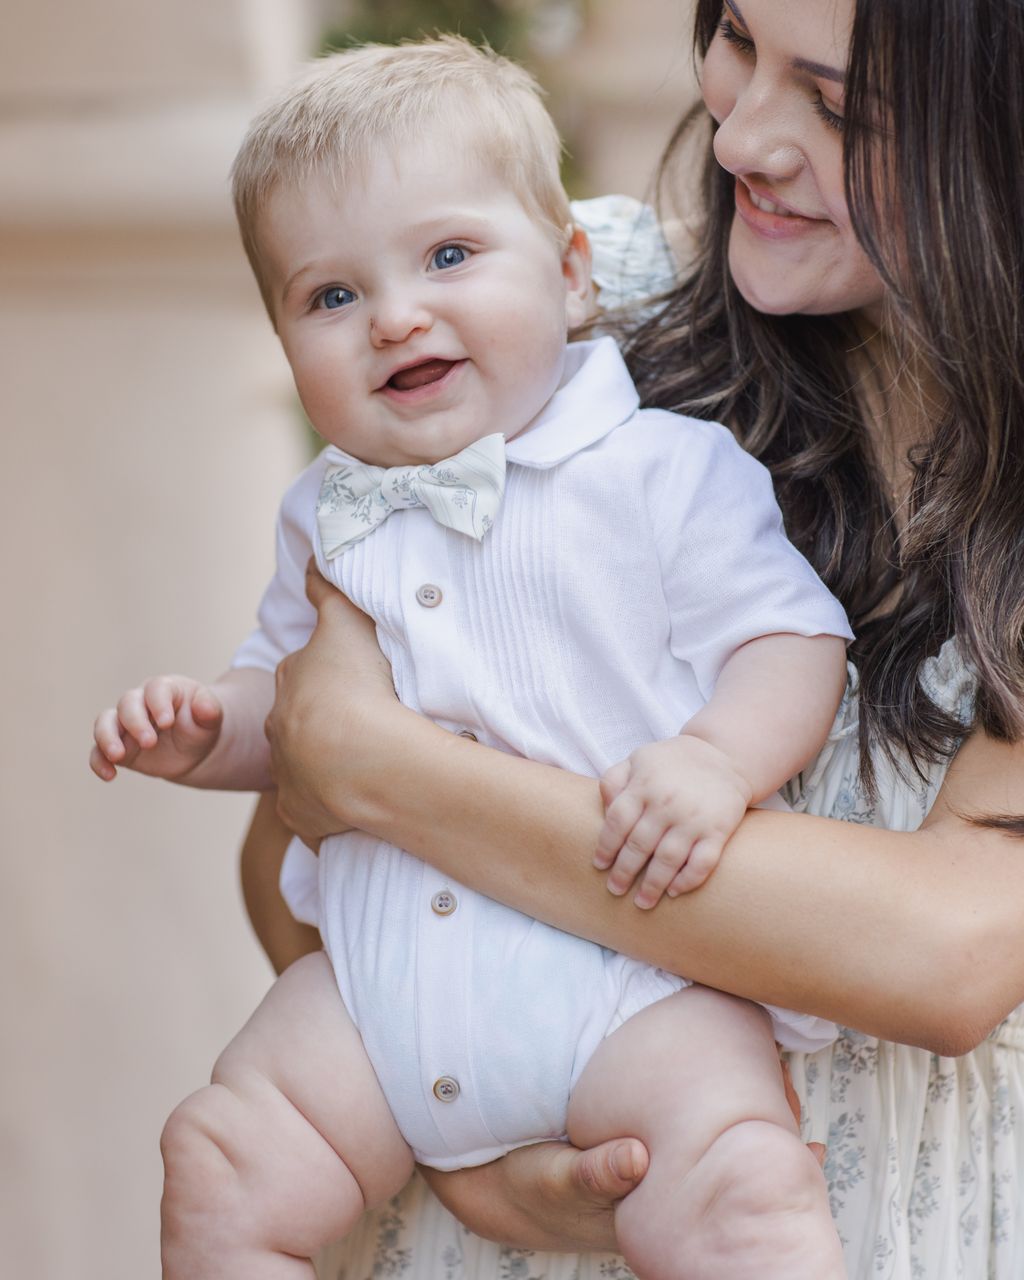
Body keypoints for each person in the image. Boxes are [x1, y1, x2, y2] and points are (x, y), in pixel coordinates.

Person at [236, 1, 1024, 1278]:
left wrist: (382, 765)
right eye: (734, 44)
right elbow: (299, 873)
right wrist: (469, 1140)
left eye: (833, 105)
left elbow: (944, 952)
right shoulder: (560, 310)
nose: (743, 137)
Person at [89, 37, 856, 1280]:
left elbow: (789, 636)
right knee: (219, 1161)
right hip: (382, 994)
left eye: (448, 256)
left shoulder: (663, 469)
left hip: (634, 974)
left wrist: (716, 761)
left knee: (739, 1187)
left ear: (568, 276)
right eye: (329, 296)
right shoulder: (325, 513)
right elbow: (291, 716)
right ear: (284, 340)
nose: (395, 314)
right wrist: (207, 725)